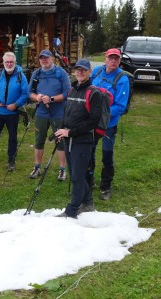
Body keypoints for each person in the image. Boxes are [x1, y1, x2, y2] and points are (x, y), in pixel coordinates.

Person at [55, 59, 103, 218]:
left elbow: (93, 121)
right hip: (70, 139)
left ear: (90, 72)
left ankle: (72, 210)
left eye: (83, 70)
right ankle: (88, 203)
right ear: (74, 72)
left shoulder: (94, 93)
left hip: (83, 141)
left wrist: (71, 133)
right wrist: (62, 130)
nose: (80, 72)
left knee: (76, 176)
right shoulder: (72, 90)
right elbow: (66, 112)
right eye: (78, 70)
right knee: (77, 173)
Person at [89, 48, 130, 200]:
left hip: (108, 125)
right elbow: (88, 88)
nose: (113, 61)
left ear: (119, 61)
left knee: (107, 154)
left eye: (116, 59)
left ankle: (106, 187)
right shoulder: (97, 72)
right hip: (92, 123)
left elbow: (120, 106)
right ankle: (89, 180)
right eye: (111, 58)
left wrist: (100, 112)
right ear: (105, 58)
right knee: (89, 151)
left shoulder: (122, 79)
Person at [0, 52, 29, 171]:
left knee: (12, 137)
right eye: (6, 62)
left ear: (15, 63)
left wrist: (16, 104)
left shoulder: (21, 76)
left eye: (11, 62)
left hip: (12, 113)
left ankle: (11, 160)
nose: (9, 64)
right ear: (3, 63)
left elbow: (25, 94)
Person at [28, 49, 71, 181]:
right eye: (42, 58)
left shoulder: (61, 73)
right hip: (41, 113)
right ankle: (37, 167)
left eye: (47, 58)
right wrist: (37, 97)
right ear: (39, 60)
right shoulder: (36, 74)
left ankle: (62, 169)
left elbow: (67, 93)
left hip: (58, 113)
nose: (44, 60)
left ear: (52, 59)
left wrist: (51, 99)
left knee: (61, 141)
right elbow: (29, 92)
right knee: (39, 140)